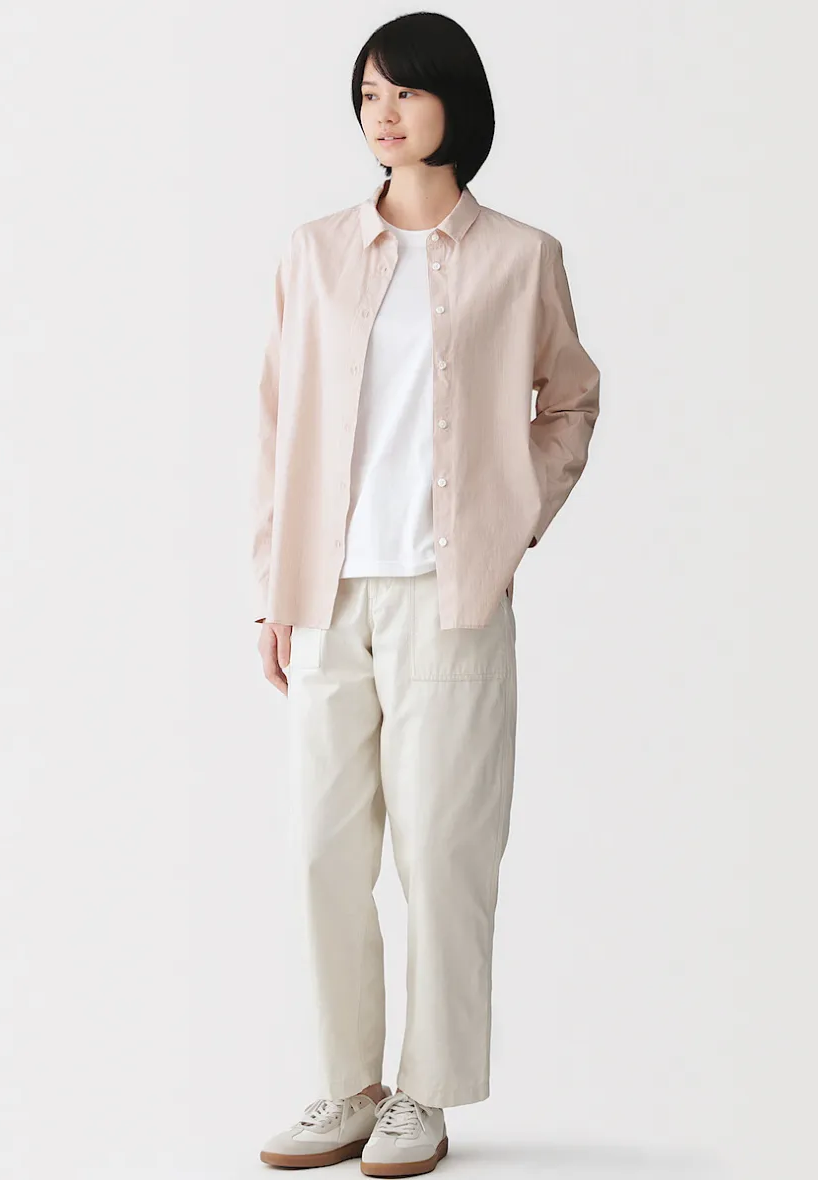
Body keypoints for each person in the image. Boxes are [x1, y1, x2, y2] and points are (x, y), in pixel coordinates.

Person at [254, 13, 600, 1176]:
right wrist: (271, 588)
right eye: (367, 95)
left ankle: (427, 1093)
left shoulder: (521, 256)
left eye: (403, 91)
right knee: (321, 849)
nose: (383, 114)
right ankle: (347, 1084)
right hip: (327, 593)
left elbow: (570, 399)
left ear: (455, 100)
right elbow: (278, 425)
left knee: (443, 852)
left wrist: (512, 520)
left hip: (451, 596)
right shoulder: (313, 253)